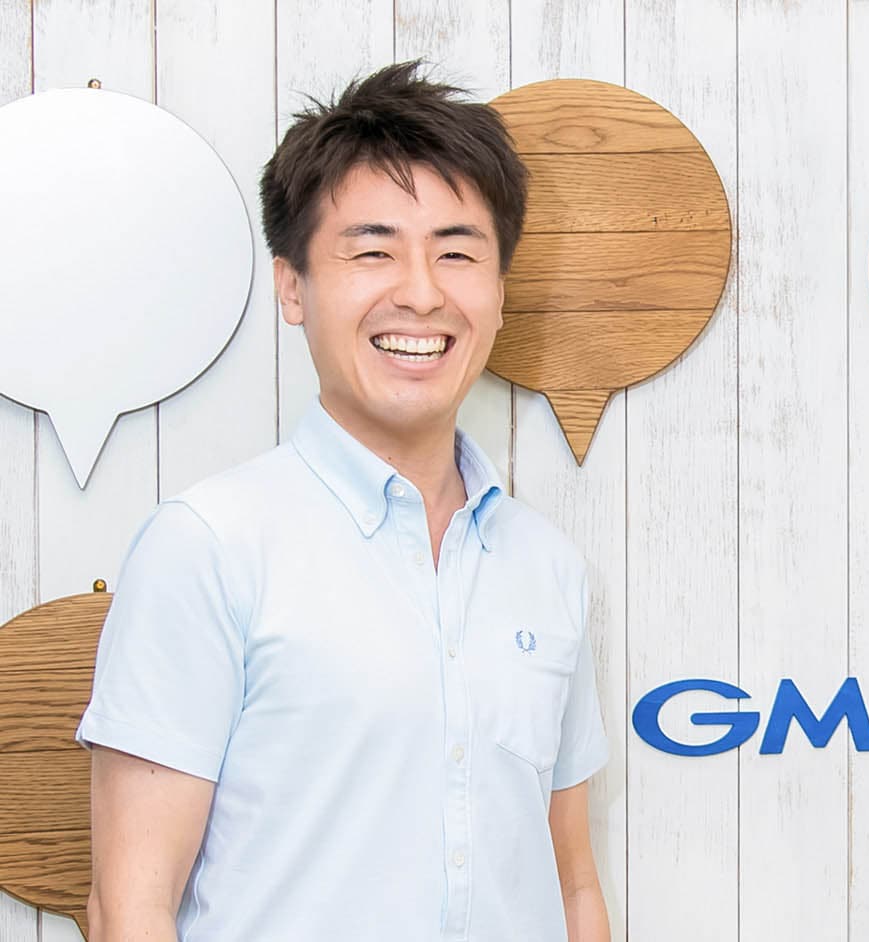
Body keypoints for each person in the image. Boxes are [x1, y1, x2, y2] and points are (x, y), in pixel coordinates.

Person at [73, 60, 610, 941]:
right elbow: (130, 906)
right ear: (293, 286)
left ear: (501, 290)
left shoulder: (548, 566)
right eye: (373, 251)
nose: (422, 292)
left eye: (457, 252)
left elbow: (571, 883)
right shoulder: (208, 547)